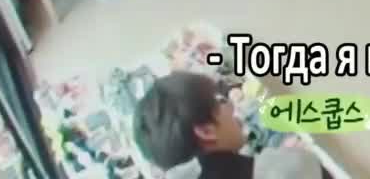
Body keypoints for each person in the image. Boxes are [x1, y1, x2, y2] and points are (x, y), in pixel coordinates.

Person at [132, 71, 322, 179]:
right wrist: (298, 158)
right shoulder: (289, 169)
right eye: (220, 101)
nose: (230, 106)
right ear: (206, 131)